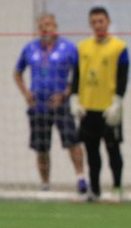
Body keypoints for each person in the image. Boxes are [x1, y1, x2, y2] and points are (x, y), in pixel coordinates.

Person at [13, 13, 87, 194]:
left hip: (61, 104)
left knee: (72, 141)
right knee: (41, 147)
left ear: (56, 27)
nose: (45, 28)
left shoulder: (69, 48)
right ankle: (45, 184)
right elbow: (17, 72)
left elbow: (79, 76)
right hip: (38, 105)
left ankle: (81, 178)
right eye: (42, 26)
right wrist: (26, 93)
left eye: (49, 25)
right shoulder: (30, 48)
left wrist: (65, 94)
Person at [71, 6, 130, 202]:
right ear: (90, 24)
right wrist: (74, 97)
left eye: (101, 21)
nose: (98, 25)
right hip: (88, 108)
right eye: (94, 22)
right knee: (92, 153)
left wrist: (118, 101)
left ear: (108, 22)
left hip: (109, 109)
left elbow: (123, 76)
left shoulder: (119, 47)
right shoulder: (82, 47)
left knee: (113, 150)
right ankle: (94, 190)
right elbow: (77, 75)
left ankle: (117, 187)